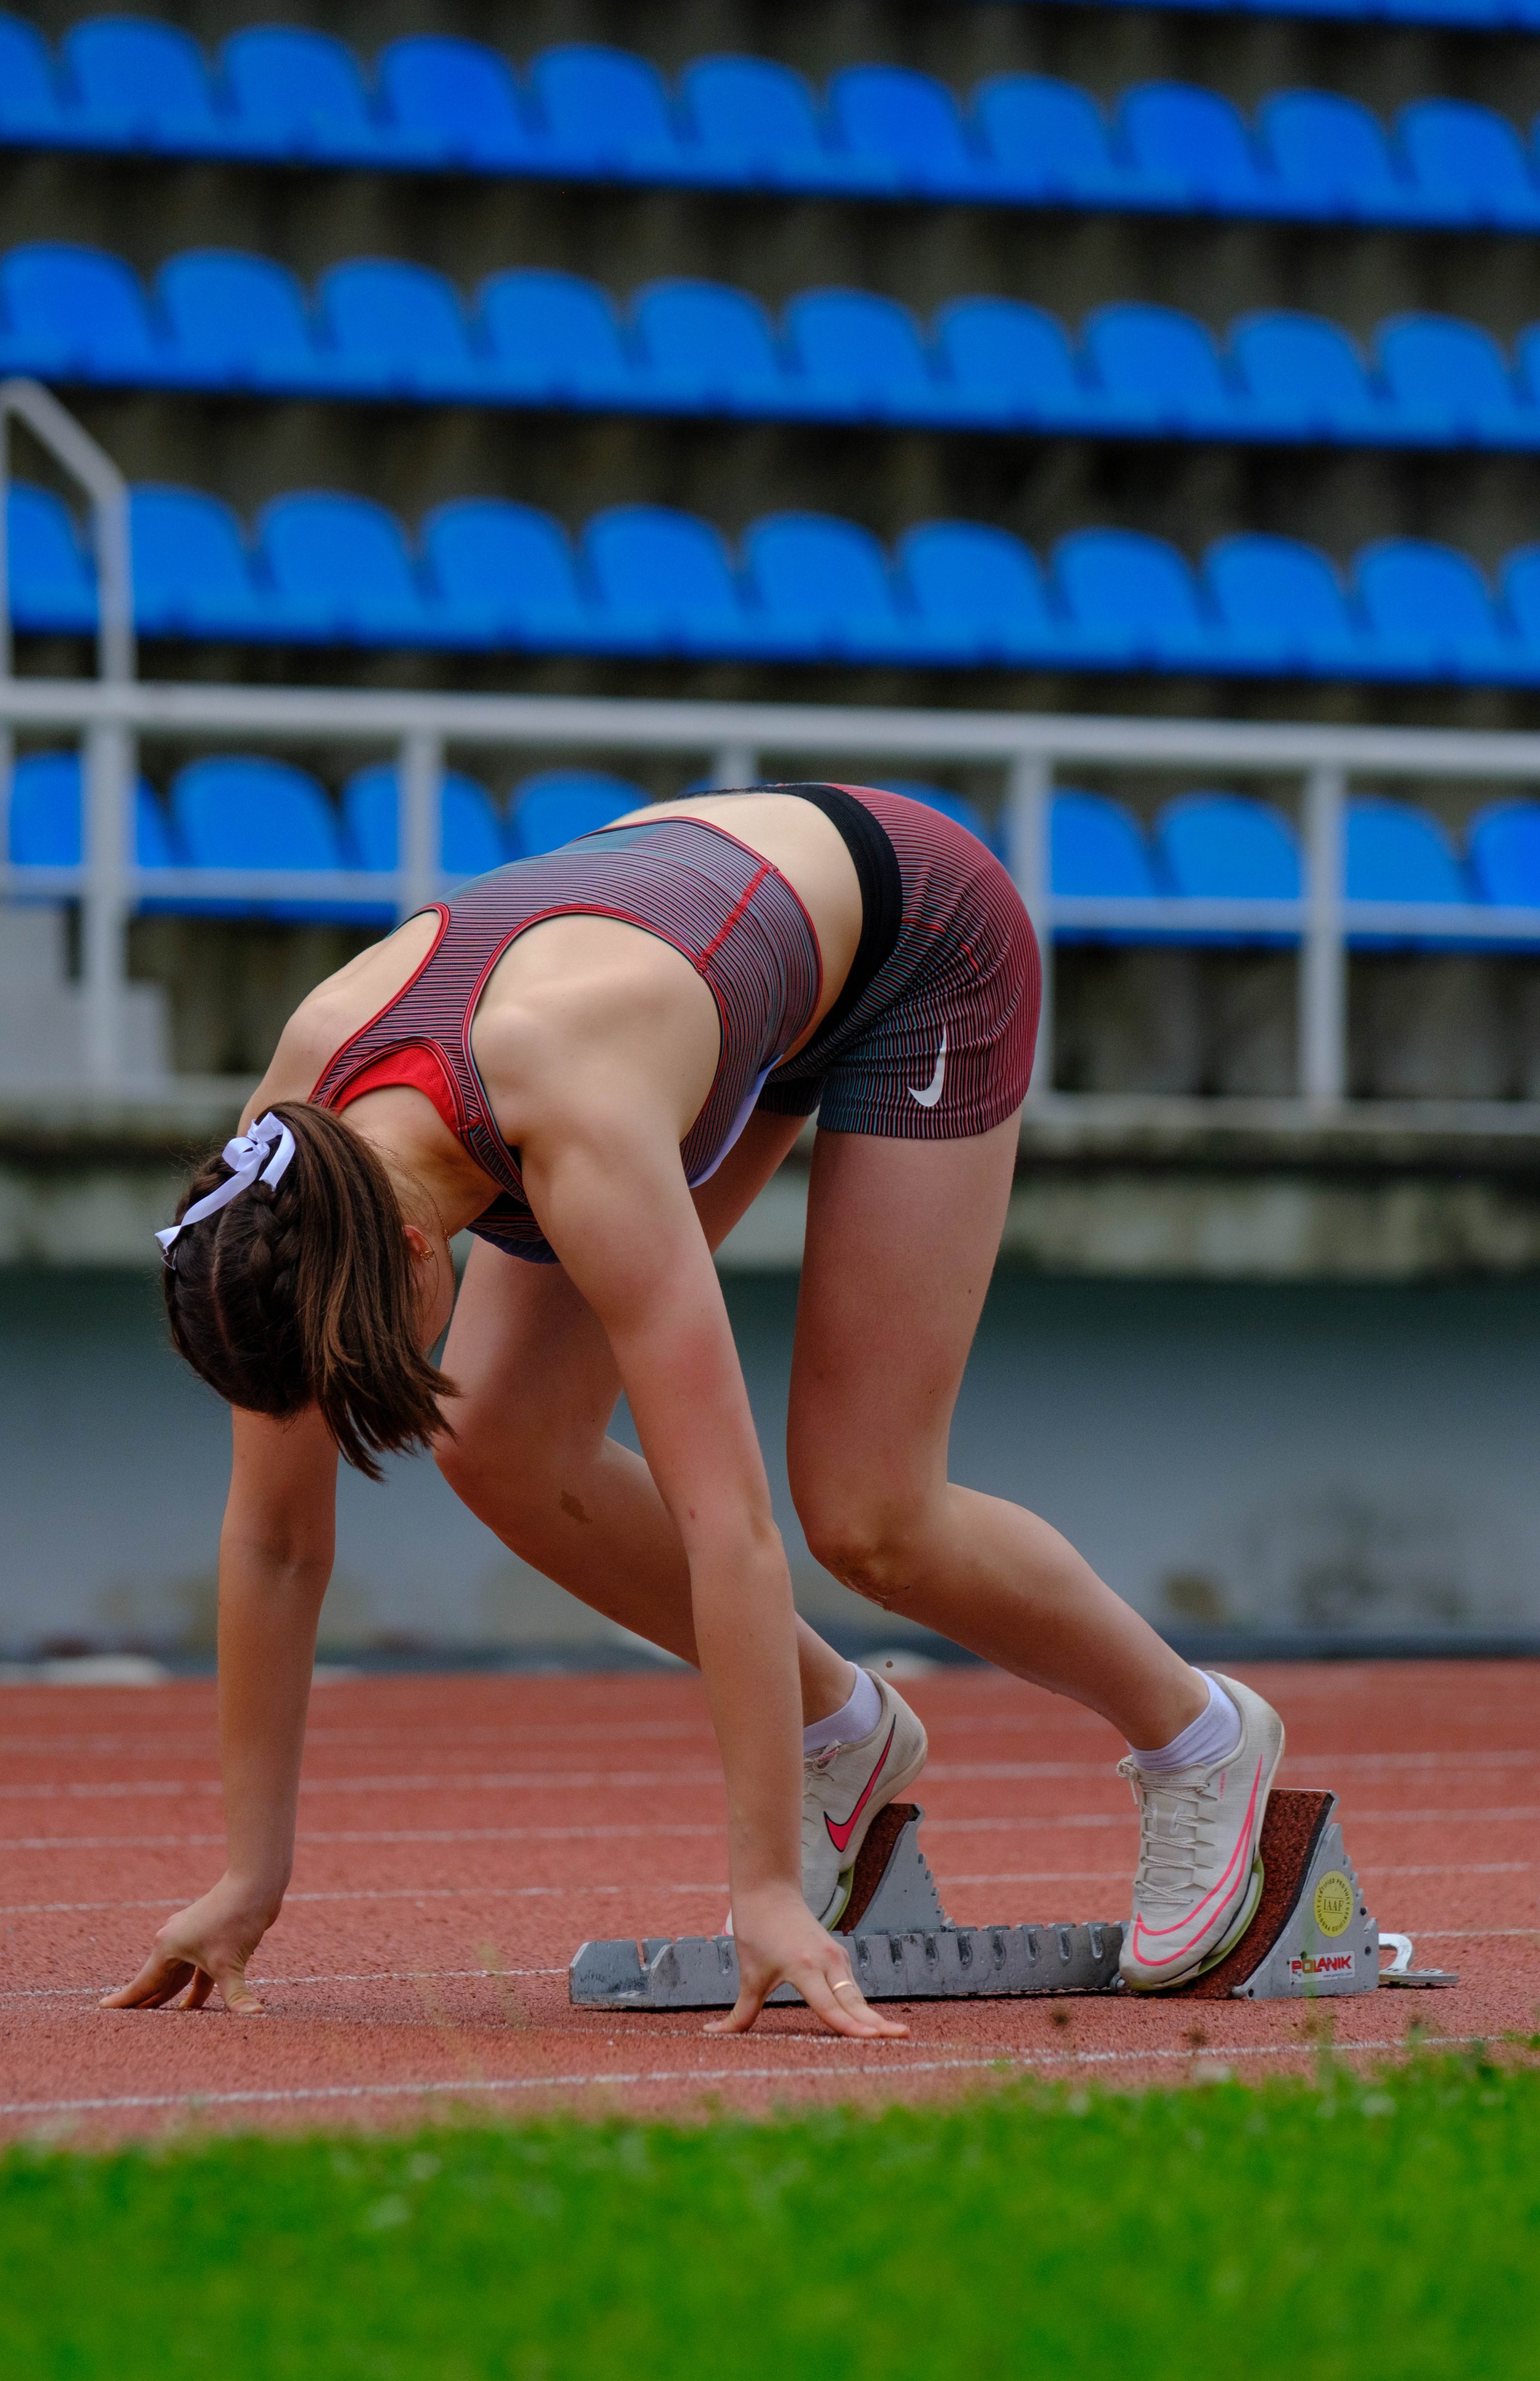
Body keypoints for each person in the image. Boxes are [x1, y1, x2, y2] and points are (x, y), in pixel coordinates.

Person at [105, 782, 1284, 2029]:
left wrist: (763, 1886)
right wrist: (251, 1875)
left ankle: (1201, 1739)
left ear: (406, 1251)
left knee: (870, 1518)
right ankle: (841, 1732)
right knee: (498, 1441)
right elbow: (276, 1539)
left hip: (913, 939)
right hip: (696, 956)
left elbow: (728, 1524)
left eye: (367, 1366)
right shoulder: (278, 1183)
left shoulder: (580, 1127)